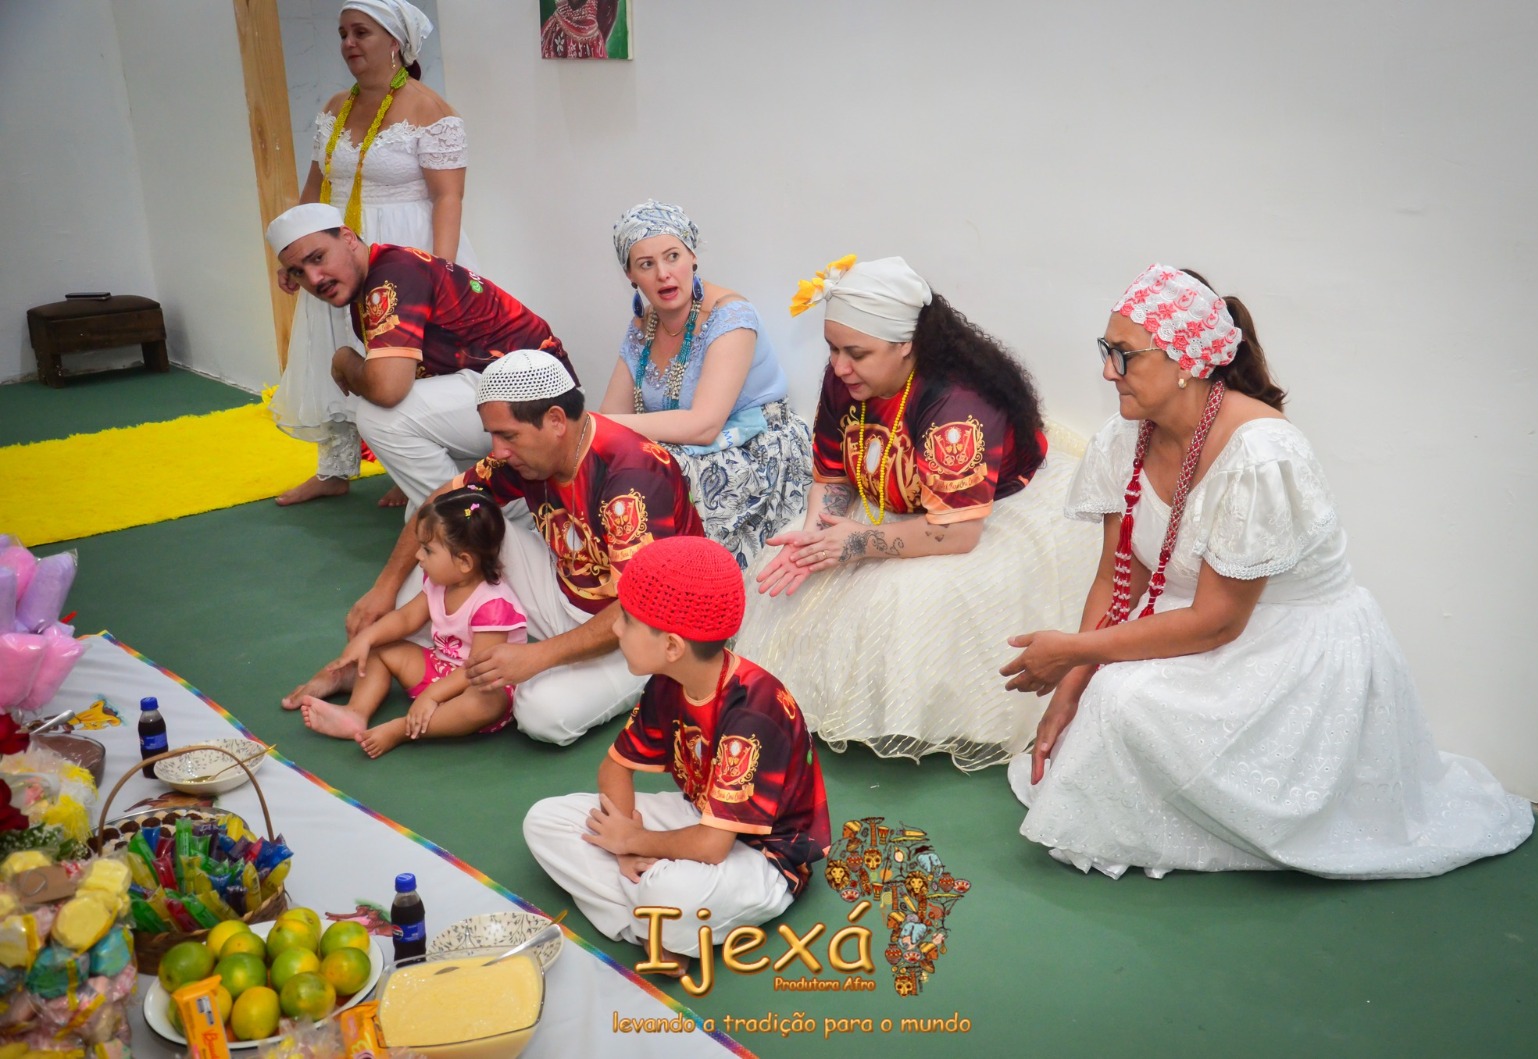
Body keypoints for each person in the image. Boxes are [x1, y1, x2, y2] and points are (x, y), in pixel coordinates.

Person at [1003, 263, 1533, 879]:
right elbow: (1117, 580)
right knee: (1102, 702)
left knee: (1123, 701)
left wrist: (1074, 652)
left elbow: (1218, 622)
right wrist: (1070, 688)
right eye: (1106, 350)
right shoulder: (1124, 439)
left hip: (1287, 646)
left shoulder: (1261, 453)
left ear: (1187, 361)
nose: (1106, 372)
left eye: (1124, 355)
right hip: (1191, 625)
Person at [739, 255, 1101, 772]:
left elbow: (958, 534)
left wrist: (855, 543)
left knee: (902, 600)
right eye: (833, 349)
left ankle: (904, 717)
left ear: (905, 344)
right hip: (889, 503)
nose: (839, 367)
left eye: (856, 353)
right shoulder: (846, 378)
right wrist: (818, 535)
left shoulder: (958, 406)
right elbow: (832, 475)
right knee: (784, 569)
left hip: (977, 515)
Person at [288, 348, 707, 745]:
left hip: (644, 628)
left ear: (556, 420)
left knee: (542, 715)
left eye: (508, 436)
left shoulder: (631, 477)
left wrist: (537, 657)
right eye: (493, 435)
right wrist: (384, 587)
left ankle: (634, 680)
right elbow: (440, 503)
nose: (498, 451)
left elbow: (639, 605)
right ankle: (364, 667)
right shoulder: (527, 455)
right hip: (566, 590)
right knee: (451, 534)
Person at [523, 535, 830, 967]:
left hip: (762, 856)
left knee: (669, 893)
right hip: (700, 815)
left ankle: (650, 917)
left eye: (626, 620)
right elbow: (615, 768)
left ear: (671, 646)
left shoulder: (753, 715)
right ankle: (650, 928)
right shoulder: (669, 681)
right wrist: (626, 847)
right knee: (545, 821)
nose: (615, 629)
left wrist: (635, 839)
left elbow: (713, 847)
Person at [270, 0, 475, 508]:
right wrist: (292, 255)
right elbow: (316, 186)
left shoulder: (432, 110)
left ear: (395, 42)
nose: (348, 44)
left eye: (360, 32)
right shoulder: (335, 106)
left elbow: (448, 198)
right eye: (343, 33)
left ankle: (412, 467)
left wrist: (441, 273)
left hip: (407, 248)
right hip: (334, 250)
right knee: (334, 343)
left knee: (406, 358)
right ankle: (335, 468)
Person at [265, 202, 576, 517]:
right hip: (508, 393)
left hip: (535, 399)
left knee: (379, 417)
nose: (314, 278)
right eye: (298, 272)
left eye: (318, 258)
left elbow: (388, 388)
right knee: (419, 516)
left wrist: (345, 360)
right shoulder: (382, 273)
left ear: (347, 237)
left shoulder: (391, 277)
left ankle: (483, 521)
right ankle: (500, 510)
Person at [597, 201, 810, 571]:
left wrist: (597, 426)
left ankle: (675, 590)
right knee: (601, 469)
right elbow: (610, 418)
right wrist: (596, 430)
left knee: (650, 476)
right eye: (646, 264)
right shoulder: (643, 326)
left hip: (756, 453)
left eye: (673, 256)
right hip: (686, 450)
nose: (664, 274)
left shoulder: (731, 316)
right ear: (630, 275)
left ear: (692, 256)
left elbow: (705, 425)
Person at [296, 487, 527, 758]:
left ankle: (402, 729)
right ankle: (356, 713)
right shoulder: (440, 582)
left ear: (464, 562)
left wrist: (432, 695)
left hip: (477, 682)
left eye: (427, 550)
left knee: (485, 702)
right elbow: (406, 618)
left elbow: (476, 670)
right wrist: (366, 638)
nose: (418, 556)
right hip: (441, 669)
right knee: (381, 648)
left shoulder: (493, 605)